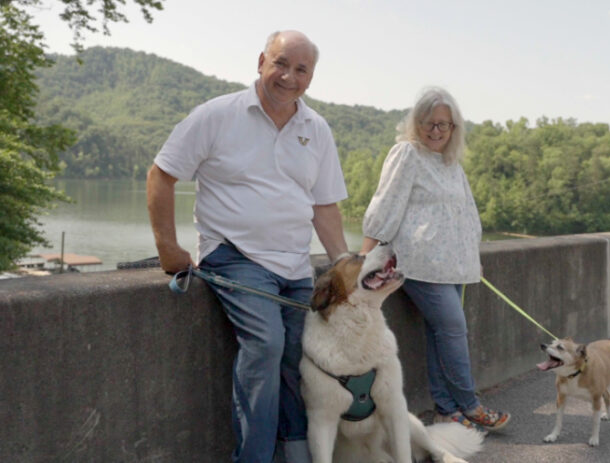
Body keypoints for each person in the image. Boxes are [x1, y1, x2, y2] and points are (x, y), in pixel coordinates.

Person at [146, 30, 348, 463]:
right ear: (261, 61)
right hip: (233, 255)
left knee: (300, 356)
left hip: (295, 265)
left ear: (311, 78)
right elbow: (161, 175)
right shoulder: (217, 115)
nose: (288, 77)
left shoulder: (316, 128)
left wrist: (343, 267)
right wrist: (167, 246)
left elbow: (324, 206)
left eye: (300, 69)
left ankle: (296, 453)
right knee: (267, 345)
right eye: (280, 63)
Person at [360, 87, 511, 432]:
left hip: (454, 265)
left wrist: (472, 255)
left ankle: (446, 410)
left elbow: (467, 214)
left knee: (437, 332)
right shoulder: (407, 154)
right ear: (417, 123)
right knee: (453, 327)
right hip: (419, 263)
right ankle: (470, 405)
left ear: (454, 128)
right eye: (430, 123)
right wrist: (362, 258)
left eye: (445, 125)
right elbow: (386, 204)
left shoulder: (450, 164)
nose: (437, 131)